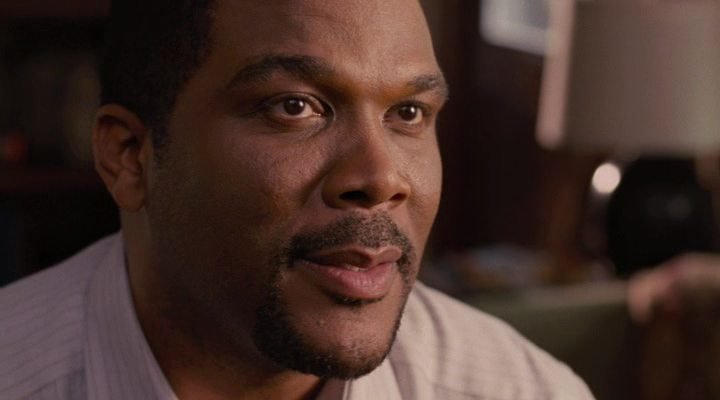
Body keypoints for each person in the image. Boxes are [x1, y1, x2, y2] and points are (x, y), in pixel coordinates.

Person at [0, 1, 594, 399]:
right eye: (294, 107)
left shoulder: (525, 391)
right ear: (129, 155)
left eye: (409, 113)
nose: (380, 177)